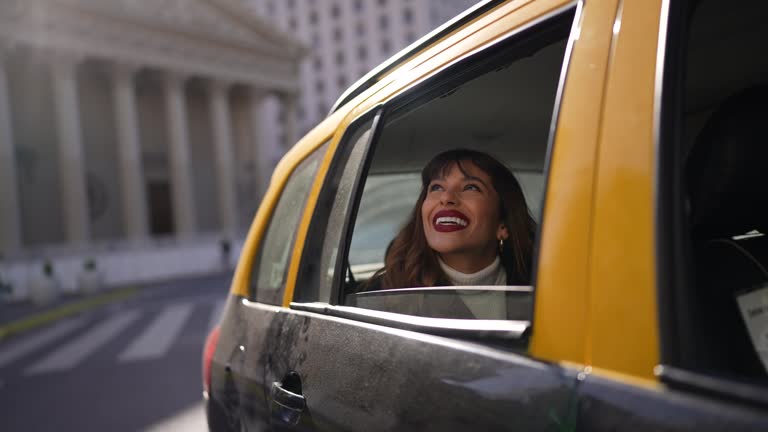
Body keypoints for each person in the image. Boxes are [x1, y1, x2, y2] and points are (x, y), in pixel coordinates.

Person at [362, 148, 536, 291]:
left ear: (503, 225)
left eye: (471, 187)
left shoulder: (544, 287)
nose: (446, 197)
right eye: (437, 187)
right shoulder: (382, 294)